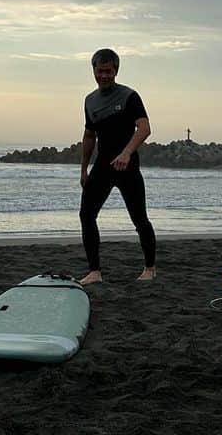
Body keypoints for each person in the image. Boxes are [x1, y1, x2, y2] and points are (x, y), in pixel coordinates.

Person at [78, 48, 157, 285]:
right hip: (103, 166)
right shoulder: (90, 101)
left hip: (127, 166)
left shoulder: (129, 96)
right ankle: (94, 271)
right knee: (86, 215)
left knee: (139, 219)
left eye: (109, 71)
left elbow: (144, 128)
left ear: (116, 71)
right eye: (100, 71)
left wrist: (126, 152)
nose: (104, 76)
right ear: (93, 70)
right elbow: (89, 136)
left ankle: (150, 268)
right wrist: (83, 169)